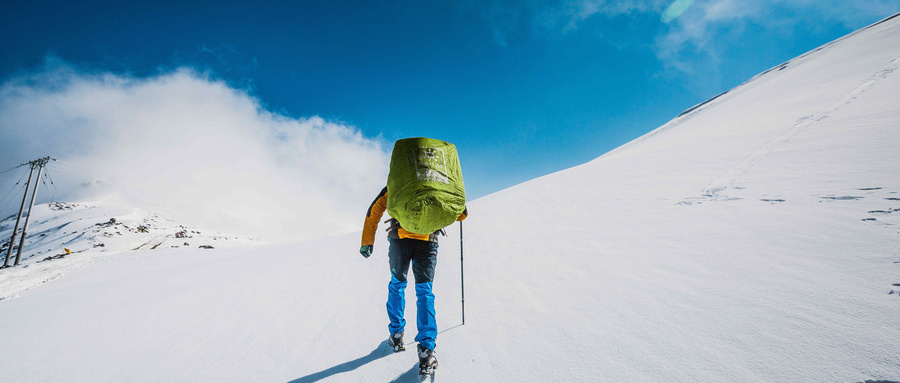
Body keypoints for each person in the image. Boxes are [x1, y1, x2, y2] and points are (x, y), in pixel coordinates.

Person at [360, 186, 467, 374]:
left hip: (399, 238)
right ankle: (426, 351)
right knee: (425, 293)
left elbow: (375, 208)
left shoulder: (401, 179)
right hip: (428, 240)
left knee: (397, 286)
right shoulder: (438, 180)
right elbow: (460, 213)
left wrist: (367, 240)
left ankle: (396, 335)